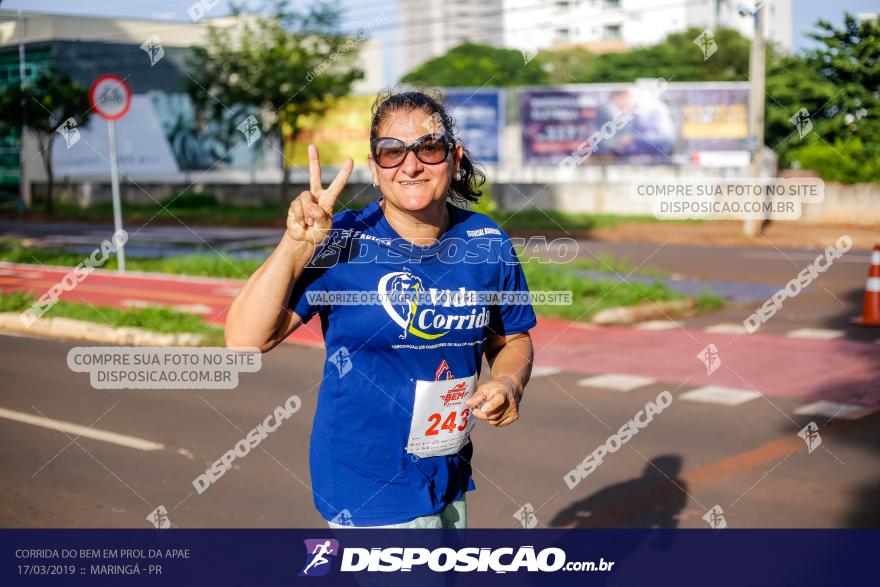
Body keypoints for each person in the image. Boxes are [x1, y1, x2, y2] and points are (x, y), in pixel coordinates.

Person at [225, 89, 536, 528]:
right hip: (366, 486)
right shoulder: (343, 240)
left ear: (455, 155)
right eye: (391, 152)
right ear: (375, 168)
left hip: (447, 474)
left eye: (428, 148)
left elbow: (513, 338)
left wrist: (508, 381)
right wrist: (295, 247)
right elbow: (244, 340)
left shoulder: (487, 242)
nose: (410, 165)